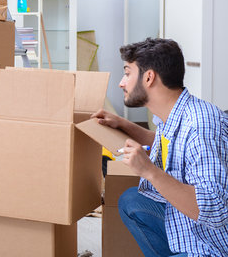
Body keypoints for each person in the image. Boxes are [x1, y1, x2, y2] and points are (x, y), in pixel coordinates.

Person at [93, 38, 227, 256]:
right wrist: (124, 124)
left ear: (148, 77)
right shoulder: (174, 113)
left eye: (127, 73)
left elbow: (215, 209)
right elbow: (167, 143)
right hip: (189, 225)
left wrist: (149, 171)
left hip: (213, 246)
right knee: (132, 200)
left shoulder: (200, 125)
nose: (121, 82)